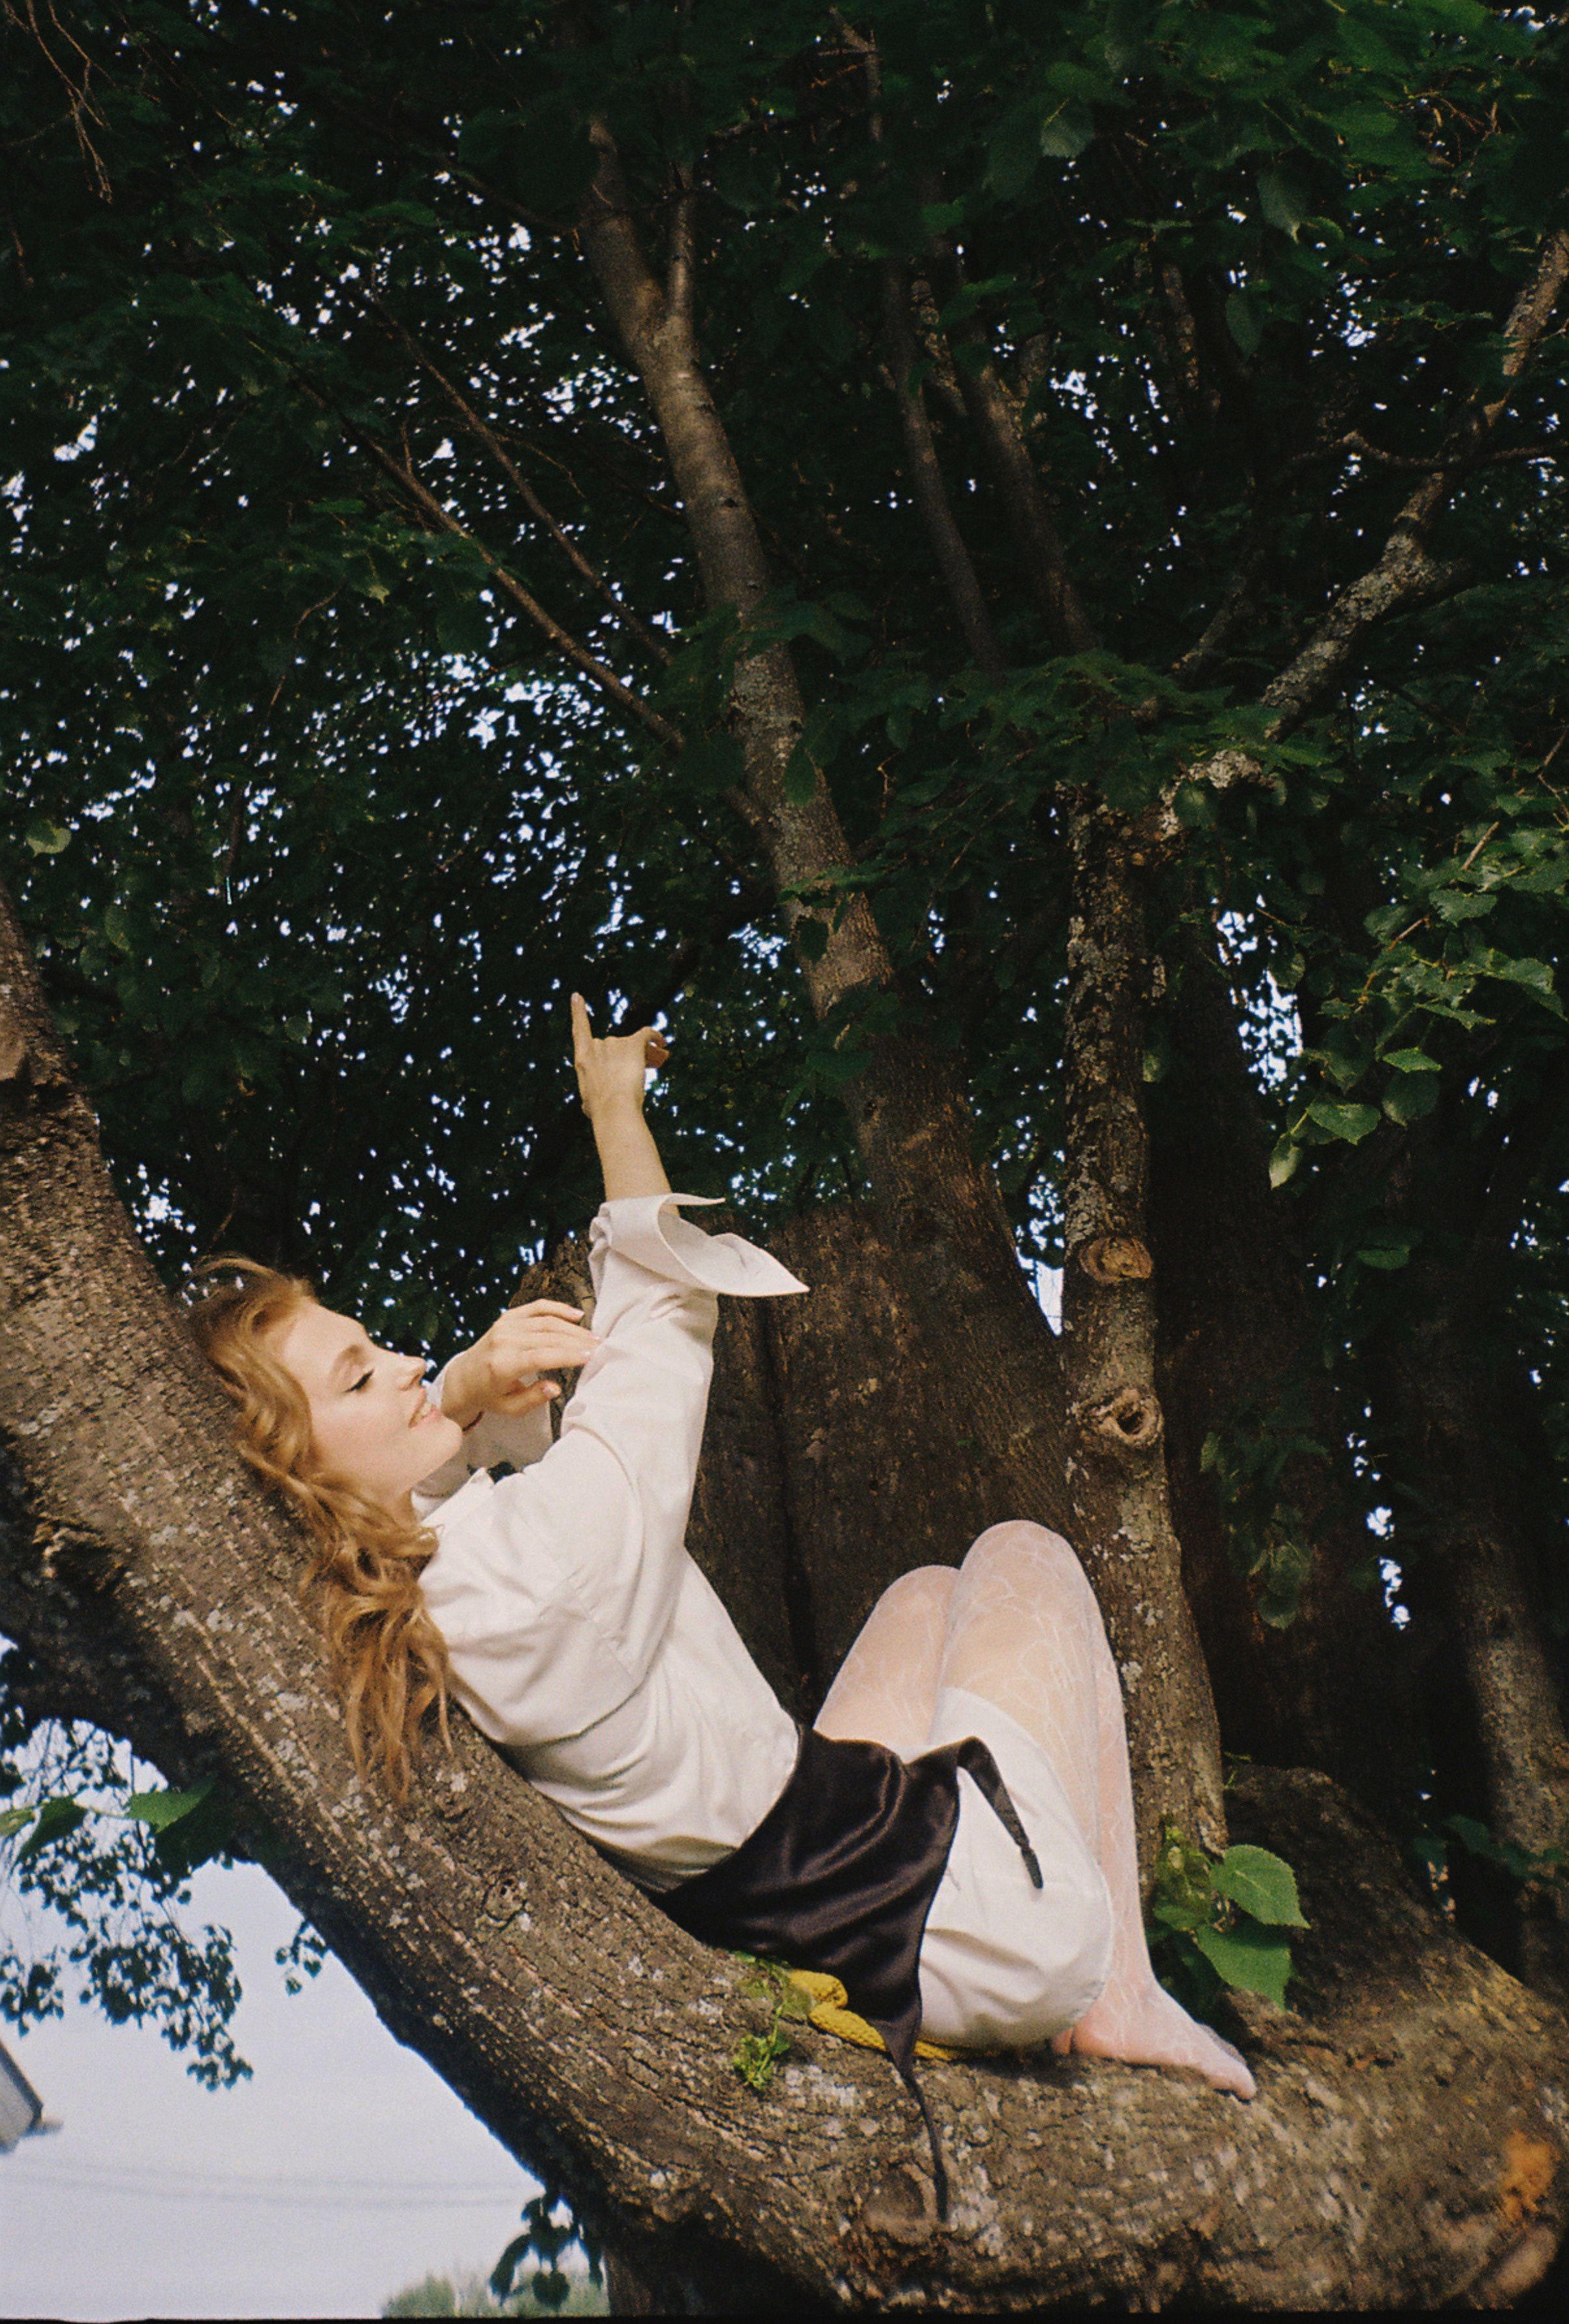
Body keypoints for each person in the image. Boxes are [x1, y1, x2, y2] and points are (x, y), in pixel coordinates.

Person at [191, 995, 1252, 2208]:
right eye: (361, 1377)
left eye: (381, 1345)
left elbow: (428, 1495)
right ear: (304, 1475)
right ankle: (1114, 1986)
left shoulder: (443, 1585)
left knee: (925, 1597)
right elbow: (655, 1323)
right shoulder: (533, 1576)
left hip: (820, 1894)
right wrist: (614, 1112)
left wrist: (466, 1395)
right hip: (969, 1935)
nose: (411, 1363)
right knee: (1025, 1556)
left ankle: (1050, 1936)